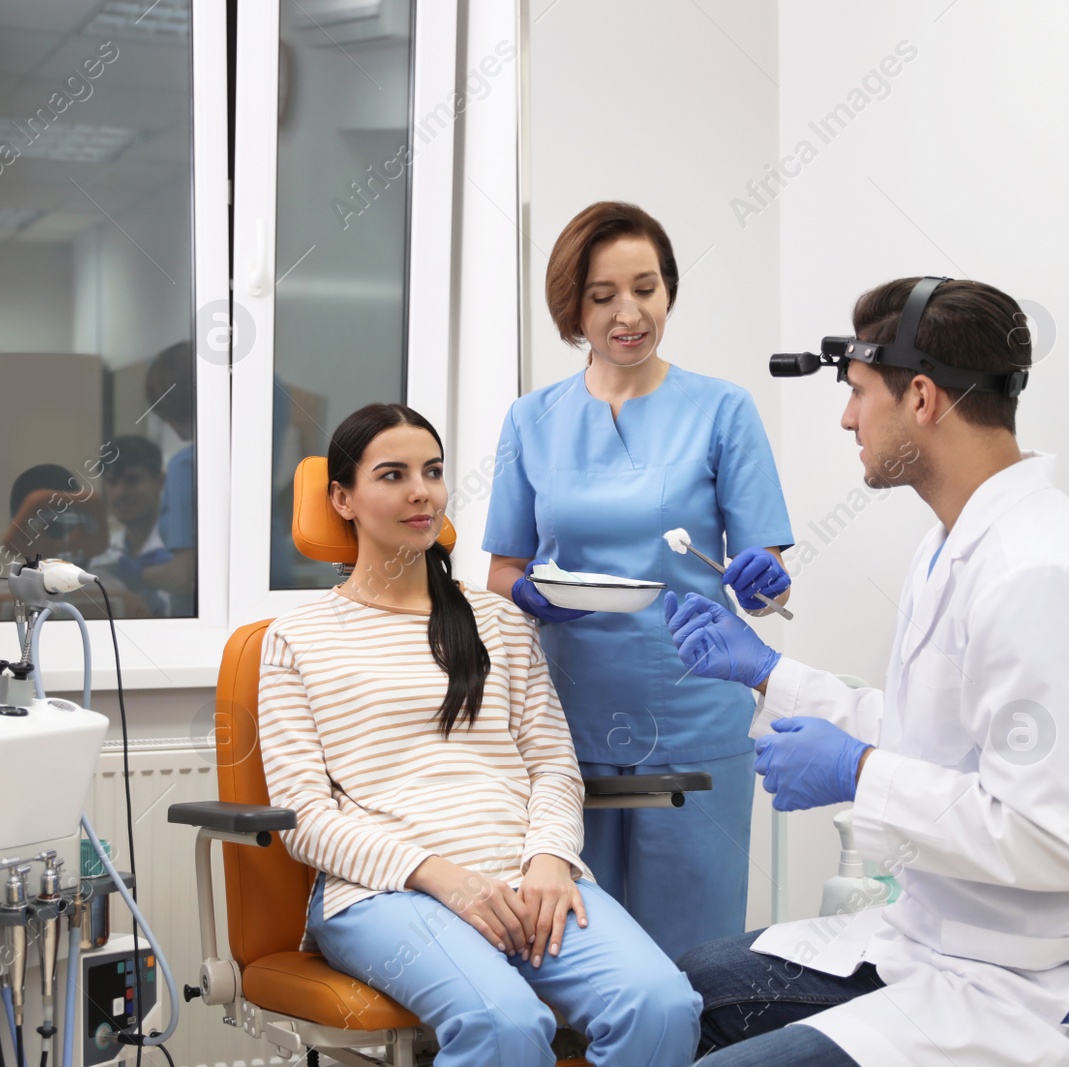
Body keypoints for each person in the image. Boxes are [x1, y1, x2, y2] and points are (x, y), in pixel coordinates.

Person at [669, 278, 1069, 1066]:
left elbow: (1064, 839)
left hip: (1050, 982)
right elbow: (941, 741)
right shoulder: (956, 543)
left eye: (857, 394)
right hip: (946, 943)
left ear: (921, 397)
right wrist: (768, 672)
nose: (848, 418)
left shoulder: (1041, 571)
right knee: (680, 991)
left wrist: (859, 772)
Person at [258, 403, 699, 1066]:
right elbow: (303, 817)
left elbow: (552, 765)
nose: (421, 491)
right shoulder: (297, 638)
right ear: (342, 499)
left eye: (432, 471)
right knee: (505, 1022)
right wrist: (443, 877)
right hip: (389, 892)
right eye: (393, 474)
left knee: (663, 1003)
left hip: (525, 877)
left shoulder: (498, 619)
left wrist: (550, 859)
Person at [483, 201, 794, 961]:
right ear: (573, 308)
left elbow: (770, 577)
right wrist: (526, 593)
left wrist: (764, 582)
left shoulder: (724, 409)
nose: (630, 313)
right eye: (603, 296)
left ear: (669, 290)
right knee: (581, 953)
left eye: (647, 288)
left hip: (695, 719)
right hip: (568, 724)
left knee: (697, 957)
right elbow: (502, 569)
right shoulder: (532, 420)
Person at [143, 343, 198, 615]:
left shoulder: (186, 466)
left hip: (196, 614)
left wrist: (132, 576)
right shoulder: (250, 462)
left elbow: (183, 577)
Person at [90, 435, 173, 615]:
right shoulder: (102, 554)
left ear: (159, 481)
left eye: (132, 480)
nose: (120, 492)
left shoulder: (179, 552)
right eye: (112, 482)